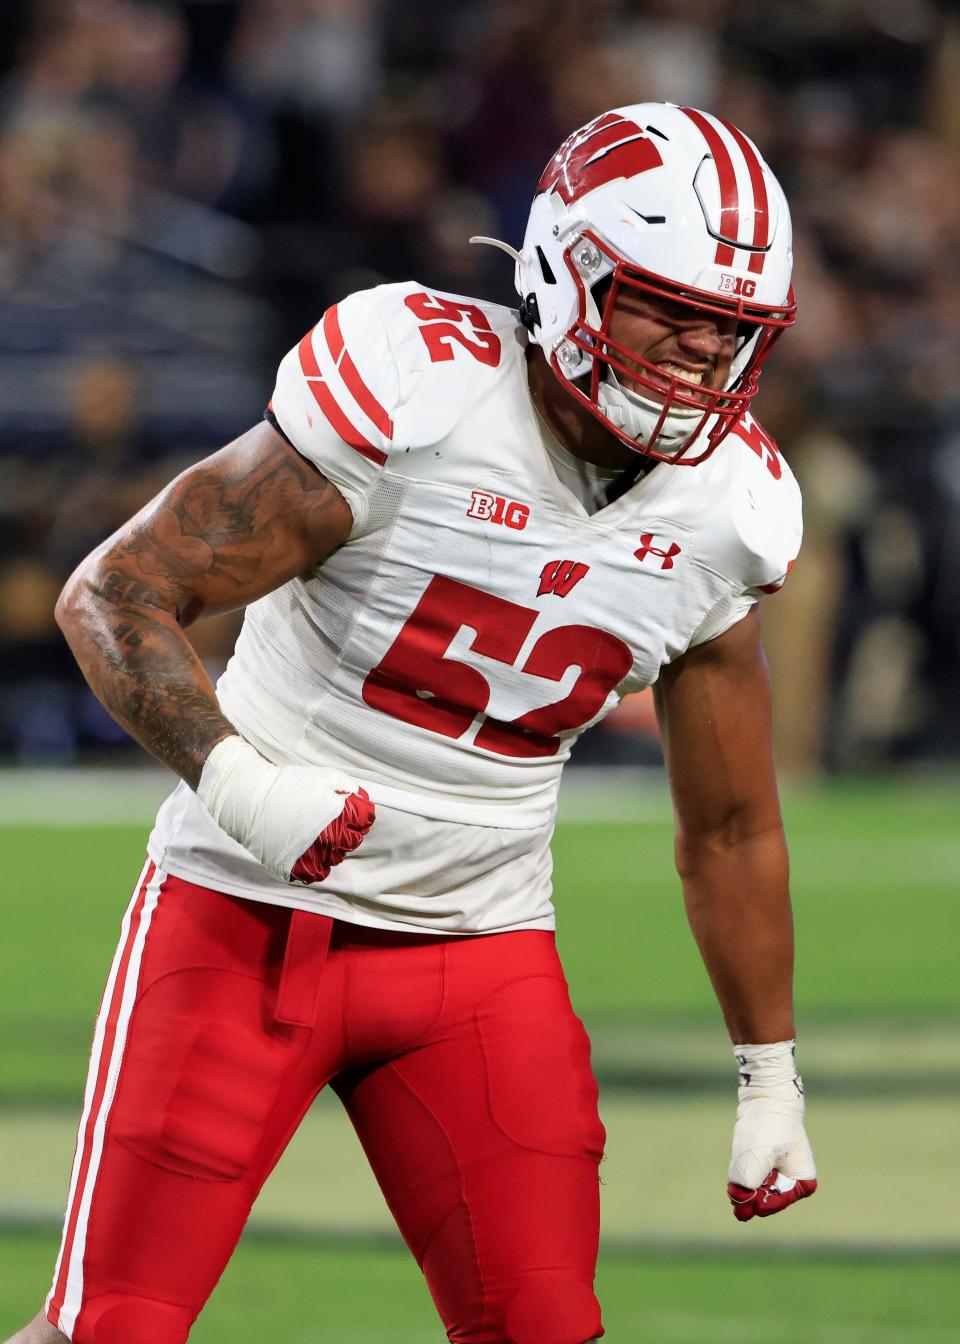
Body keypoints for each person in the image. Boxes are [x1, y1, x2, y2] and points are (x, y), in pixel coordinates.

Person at [10, 102, 817, 1344]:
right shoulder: (420, 389)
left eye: (734, 326)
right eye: (670, 306)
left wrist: (771, 1071)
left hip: (478, 952)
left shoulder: (735, 511)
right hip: (243, 917)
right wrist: (241, 786)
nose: (704, 353)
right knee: (110, 1328)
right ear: (567, 271)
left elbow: (728, 825)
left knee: (545, 1327)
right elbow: (114, 593)